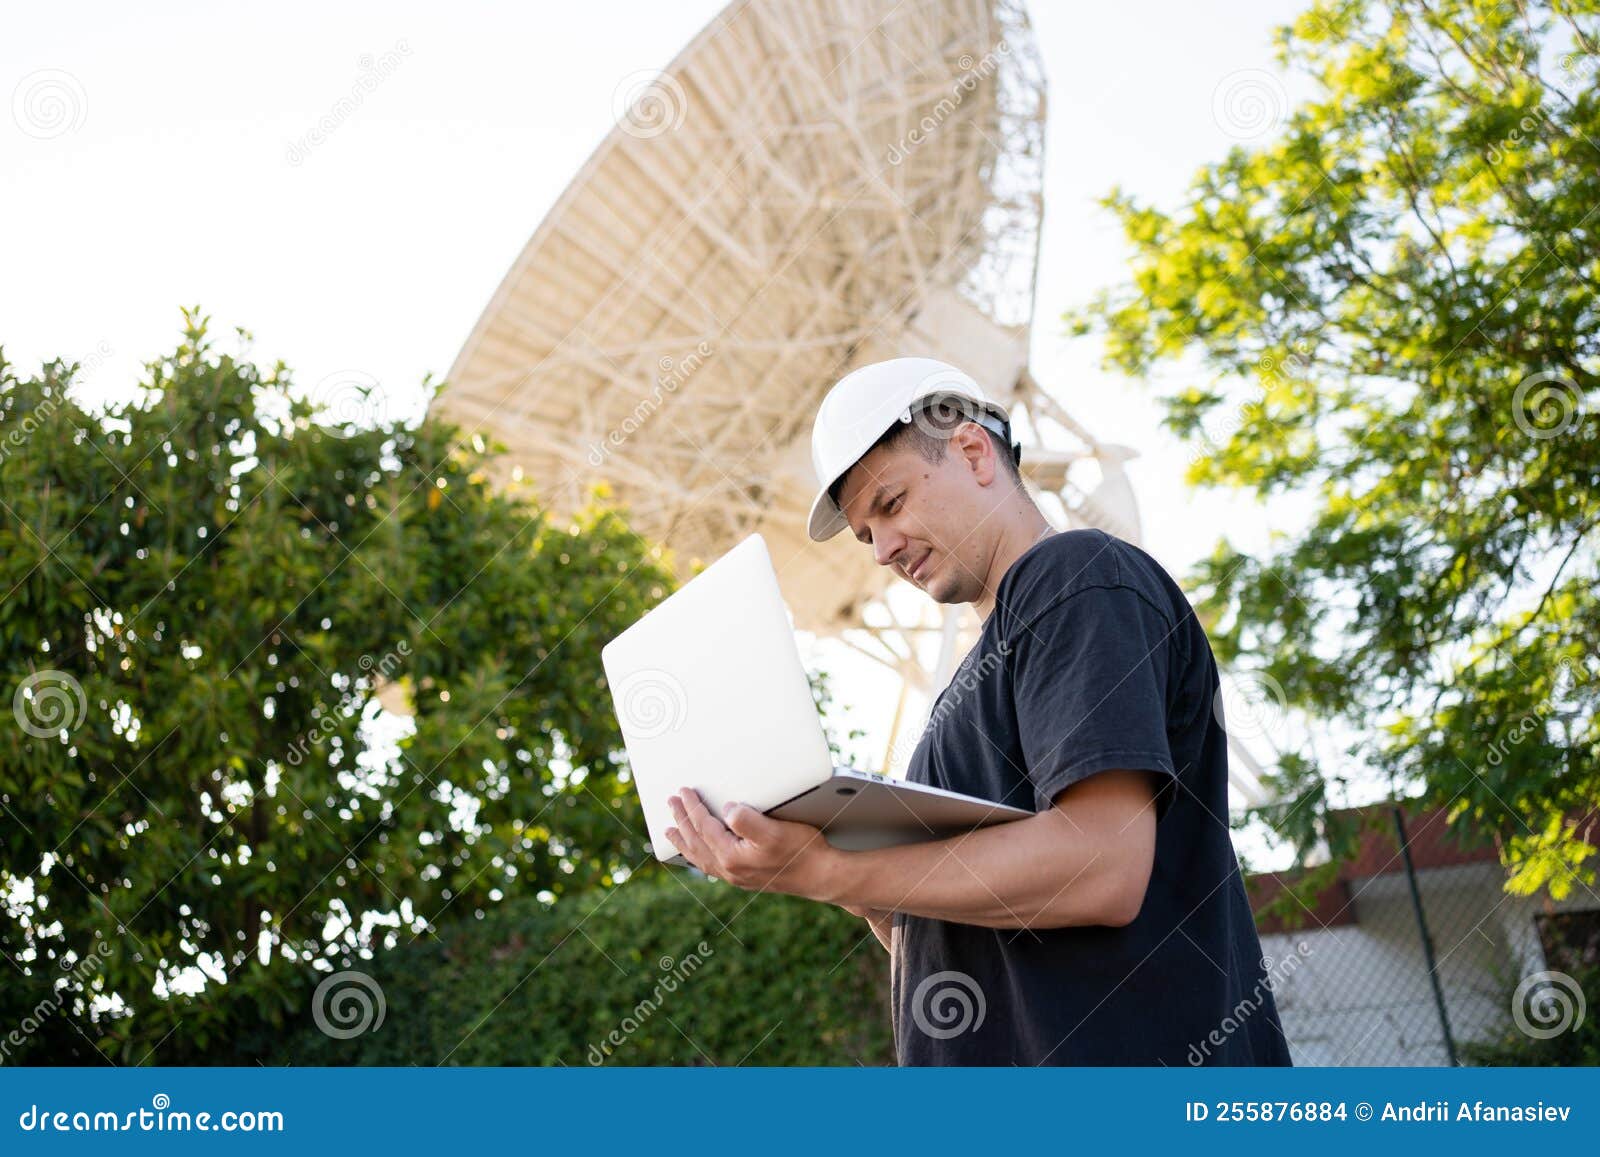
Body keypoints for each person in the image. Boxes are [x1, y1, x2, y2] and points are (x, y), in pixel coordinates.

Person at [663, 357, 1292, 1066]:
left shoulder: (1077, 578)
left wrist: (832, 871)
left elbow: (1102, 865)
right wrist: (853, 888)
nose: (882, 551)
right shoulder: (964, 697)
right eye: (866, 535)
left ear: (970, 449)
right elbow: (953, 934)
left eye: (891, 504)